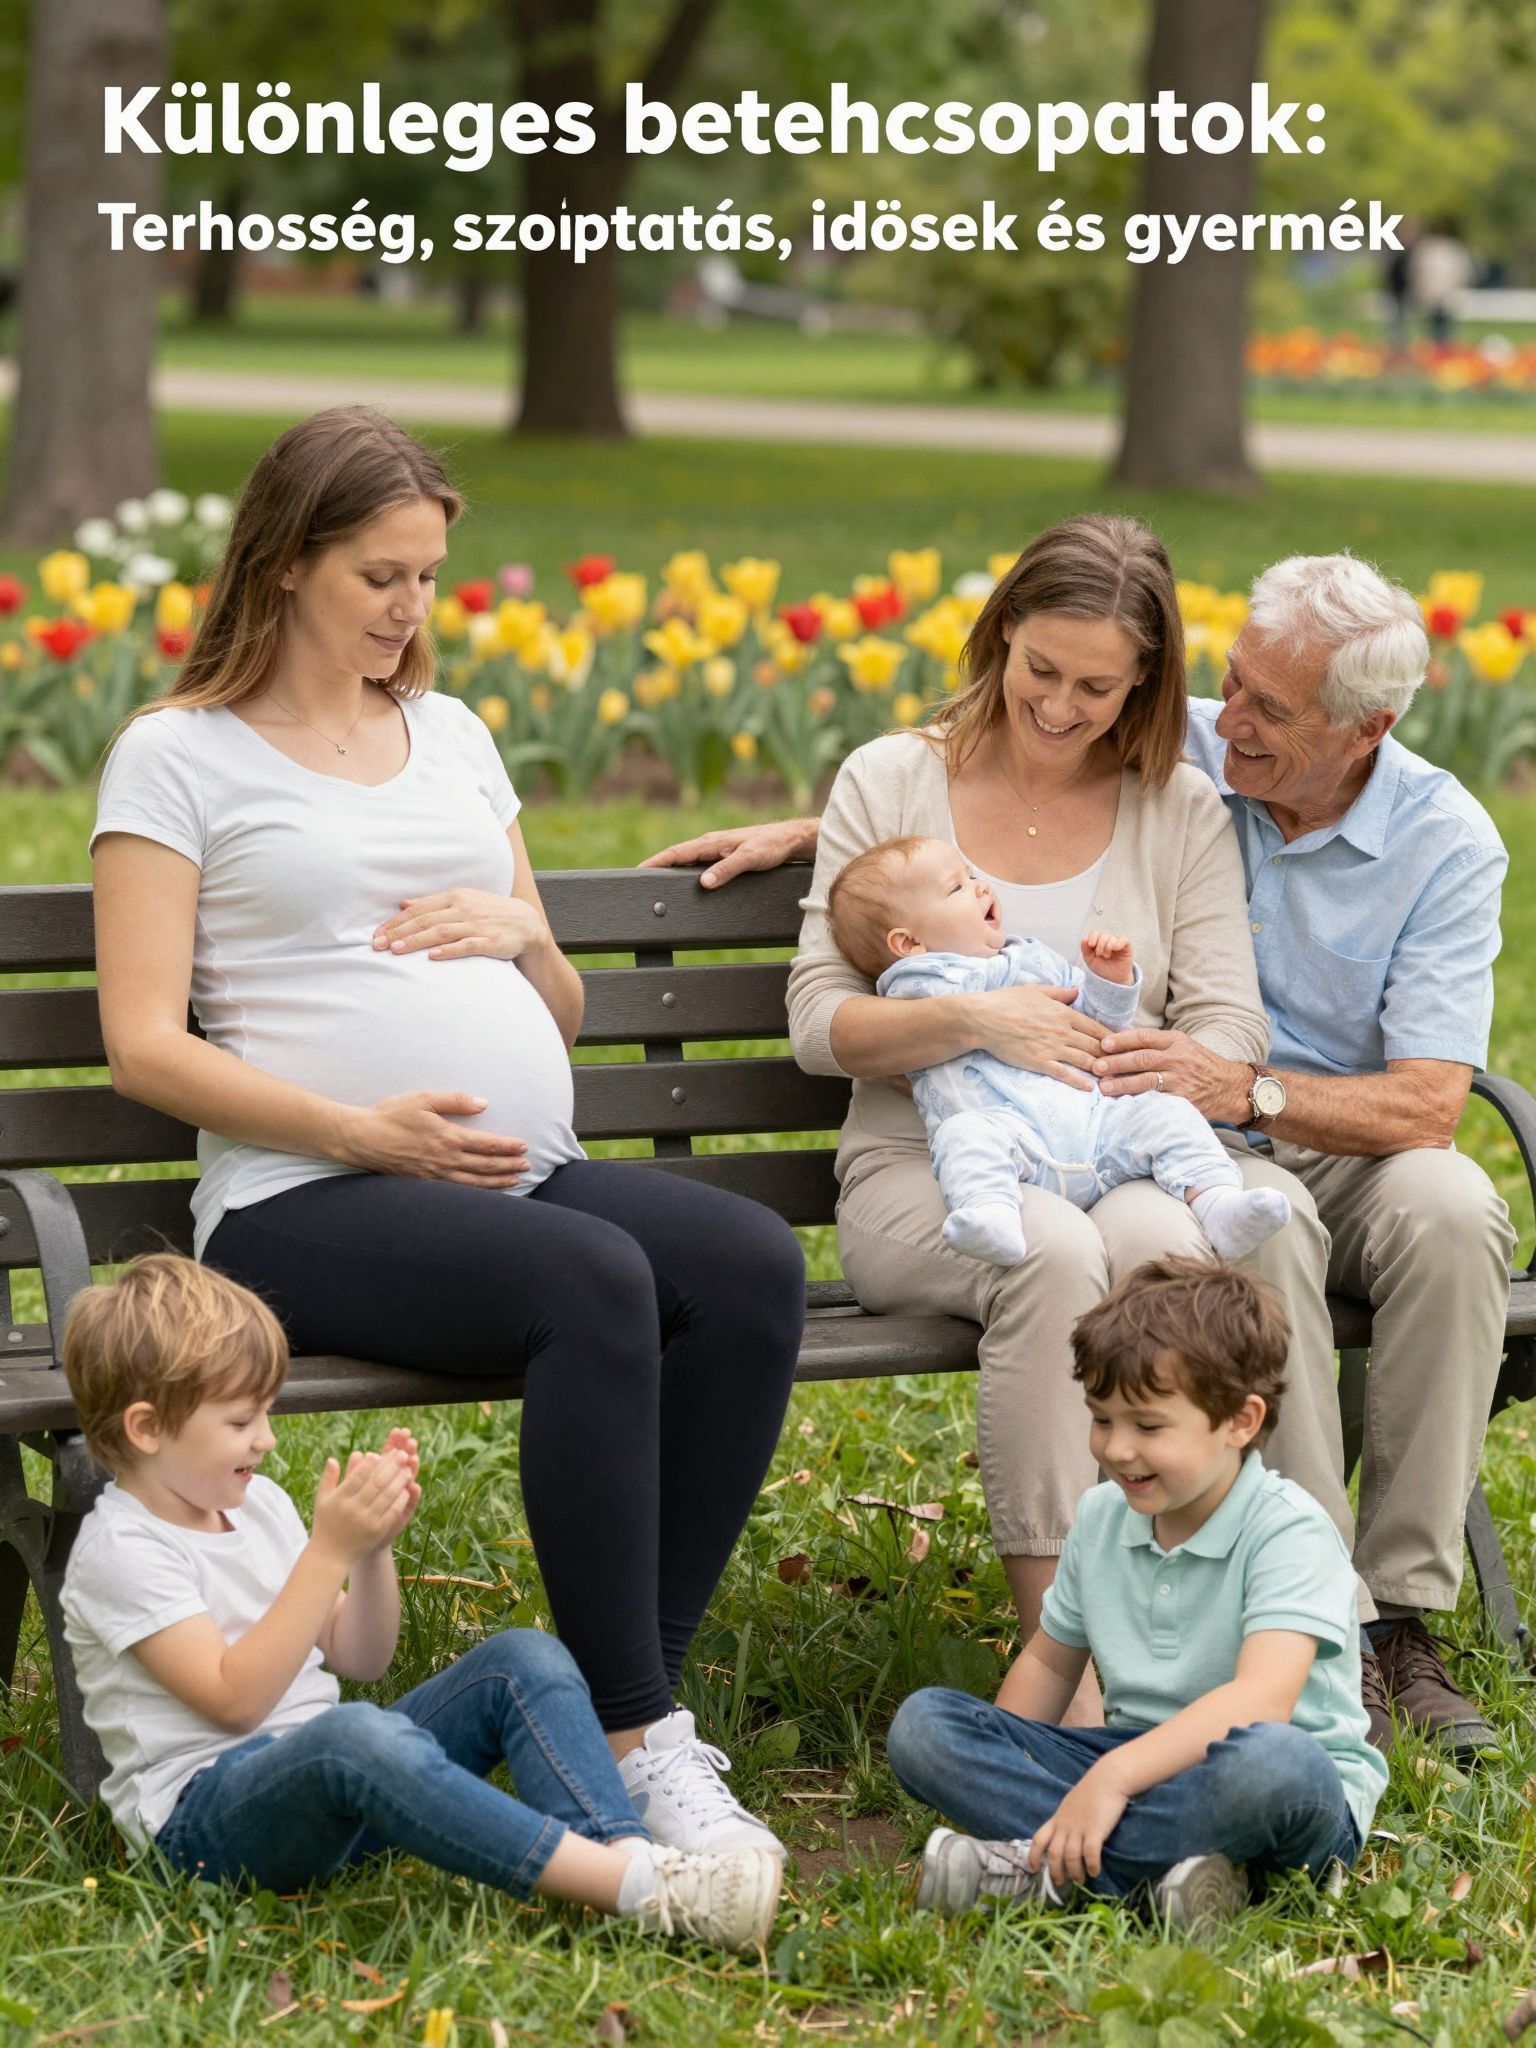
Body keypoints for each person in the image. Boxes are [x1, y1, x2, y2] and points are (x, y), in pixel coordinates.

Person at [642, 549, 1514, 1754]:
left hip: (1240, 1123)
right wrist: (836, 850)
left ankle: (1385, 1617)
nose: (1235, 720)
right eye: (1234, 687)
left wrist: (1225, 1076)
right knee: (1188, 1238)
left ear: (1367, 727)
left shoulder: (1369, 822)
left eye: (1271, 709)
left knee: (1440, 1210)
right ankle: (1221, 1635)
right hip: (1072, 1151)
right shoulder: (1176, 746)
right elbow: (939, 822)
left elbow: (1409, 1098)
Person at [90, 406, 807, 1857]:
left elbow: (564, 1002)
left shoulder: (457, 735)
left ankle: (641, 1713)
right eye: (379, 576)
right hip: (304, 1199)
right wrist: (365, 1127)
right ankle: (624, 1729)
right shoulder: (178, 758)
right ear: (287, 563)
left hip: (512, 1174)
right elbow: (141, 1043)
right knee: (594, 1279)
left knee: (746, 1264)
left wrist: (526, 941)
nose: (411, 608)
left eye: (427, 575)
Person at [58, 1256, 781, 1950]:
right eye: (241, 1422)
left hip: (338, 1787)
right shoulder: (122, 1551)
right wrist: (328, 1553)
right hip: (207, 1831)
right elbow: (234, 1701)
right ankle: (643, 1886)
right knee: (357, 1737)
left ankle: (620, 1865)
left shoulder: (257, 1505)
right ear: (147, 1427)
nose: (267, 1440)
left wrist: (371, 1553)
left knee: (521, 1661)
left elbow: (362, 1659)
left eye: (267, 1414)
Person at [887, 1258, 1387, 1927]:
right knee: (925, 1727)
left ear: (1241, 1421)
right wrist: (1019, 1749)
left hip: (1276, 1785)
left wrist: (1112, 1780)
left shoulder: (1288, 1529)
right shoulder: (1100, 1518)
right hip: (1135, 1756)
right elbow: (1046, 1663)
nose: (1118, 1449)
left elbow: (1261, 1702)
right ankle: (1168, 1877)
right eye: (1101, 1419)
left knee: (1275, 1763)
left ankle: (1044, 1871)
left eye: (1148, 1427)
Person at [827, 834, 1291, 1268]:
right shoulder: (916, 987)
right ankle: (991, 1214)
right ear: (909, 944)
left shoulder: (1032, 958)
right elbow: (887, 1030)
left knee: (1167, 1115)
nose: (979, 887)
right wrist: (985, 1017)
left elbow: (1096, 1027)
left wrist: (1109, 983)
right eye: (957, 888)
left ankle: (1218, 1204)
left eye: (971, 876)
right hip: (1015, 1143)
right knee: (963, 1136)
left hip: (1096, 1129)